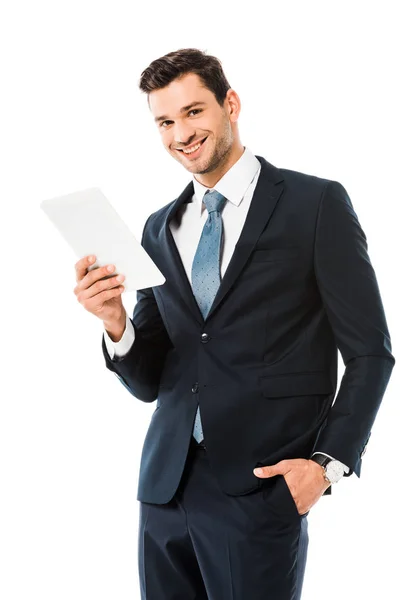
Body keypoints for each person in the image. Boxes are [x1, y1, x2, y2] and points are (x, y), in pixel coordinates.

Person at [73, 48, 395, 599]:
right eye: (166, 122)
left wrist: (326, 466)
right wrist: (115, 323)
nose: (181, 133)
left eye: (194, 112)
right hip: (164, 489)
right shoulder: (158, 228)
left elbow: (371, 353)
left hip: (262, 489)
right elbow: (153, 377)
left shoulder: (314, 204)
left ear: (231, 104)